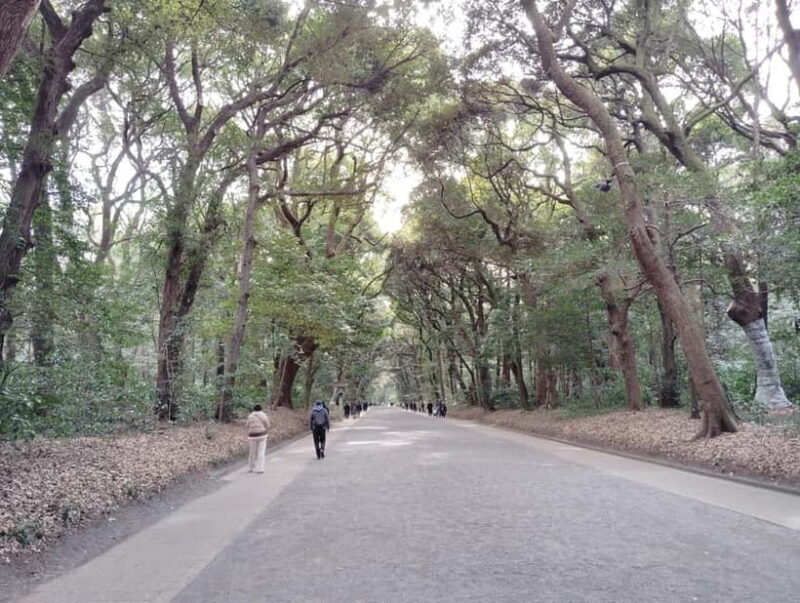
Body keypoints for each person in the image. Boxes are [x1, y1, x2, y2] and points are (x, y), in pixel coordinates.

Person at [246, 404, 271, 473]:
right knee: (261, 452)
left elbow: (247, 425)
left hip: (252, 436)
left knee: (252, 452)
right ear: (261, 409)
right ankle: (260, 468)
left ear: (253, 409)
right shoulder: (263, 415)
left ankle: (251, 468)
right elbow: (268, 425)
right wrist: (265, 429)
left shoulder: (250, 416)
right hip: (262, 435)